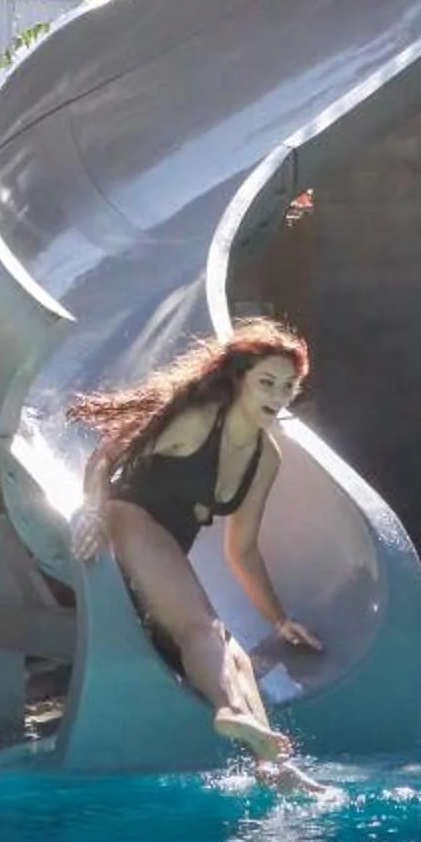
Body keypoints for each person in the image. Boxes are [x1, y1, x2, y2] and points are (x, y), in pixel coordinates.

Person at [68, 320, 325, 790]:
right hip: (131, 521)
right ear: (238, 380)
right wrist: (91, 509)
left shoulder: (266, 458)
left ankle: (270, 764)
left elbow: (242, 550)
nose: (278, 395)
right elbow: (107, 454)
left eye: (288, 387)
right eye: (266, 382)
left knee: (236, 652)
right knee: (202, 627)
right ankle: (229, 712)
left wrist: (279, 619)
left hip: (166, 547)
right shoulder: (199, 418)